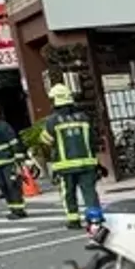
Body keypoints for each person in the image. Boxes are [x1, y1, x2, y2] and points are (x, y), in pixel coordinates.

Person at [39, 84, 103, 230]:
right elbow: (93, 140)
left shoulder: (51, 121)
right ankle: (95, 219)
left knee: (68, 194)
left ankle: (73, 220)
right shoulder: (84, 117)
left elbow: (46, 140)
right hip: (87, 164)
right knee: (89, 192)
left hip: (65, 166)